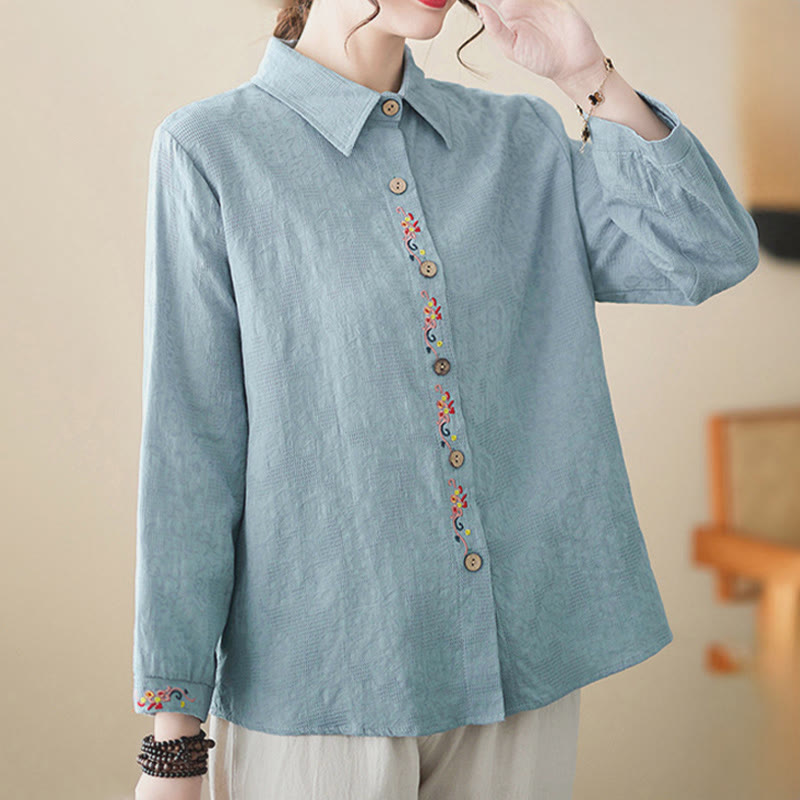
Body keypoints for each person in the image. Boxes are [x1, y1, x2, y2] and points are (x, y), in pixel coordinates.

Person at [131, 0, 760, 797]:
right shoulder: (211, 150)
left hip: (519, 671)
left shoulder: (519, 140)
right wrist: (173, 748)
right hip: (323, 686)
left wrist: (585, 75)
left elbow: (705, 254)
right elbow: (191, 450)